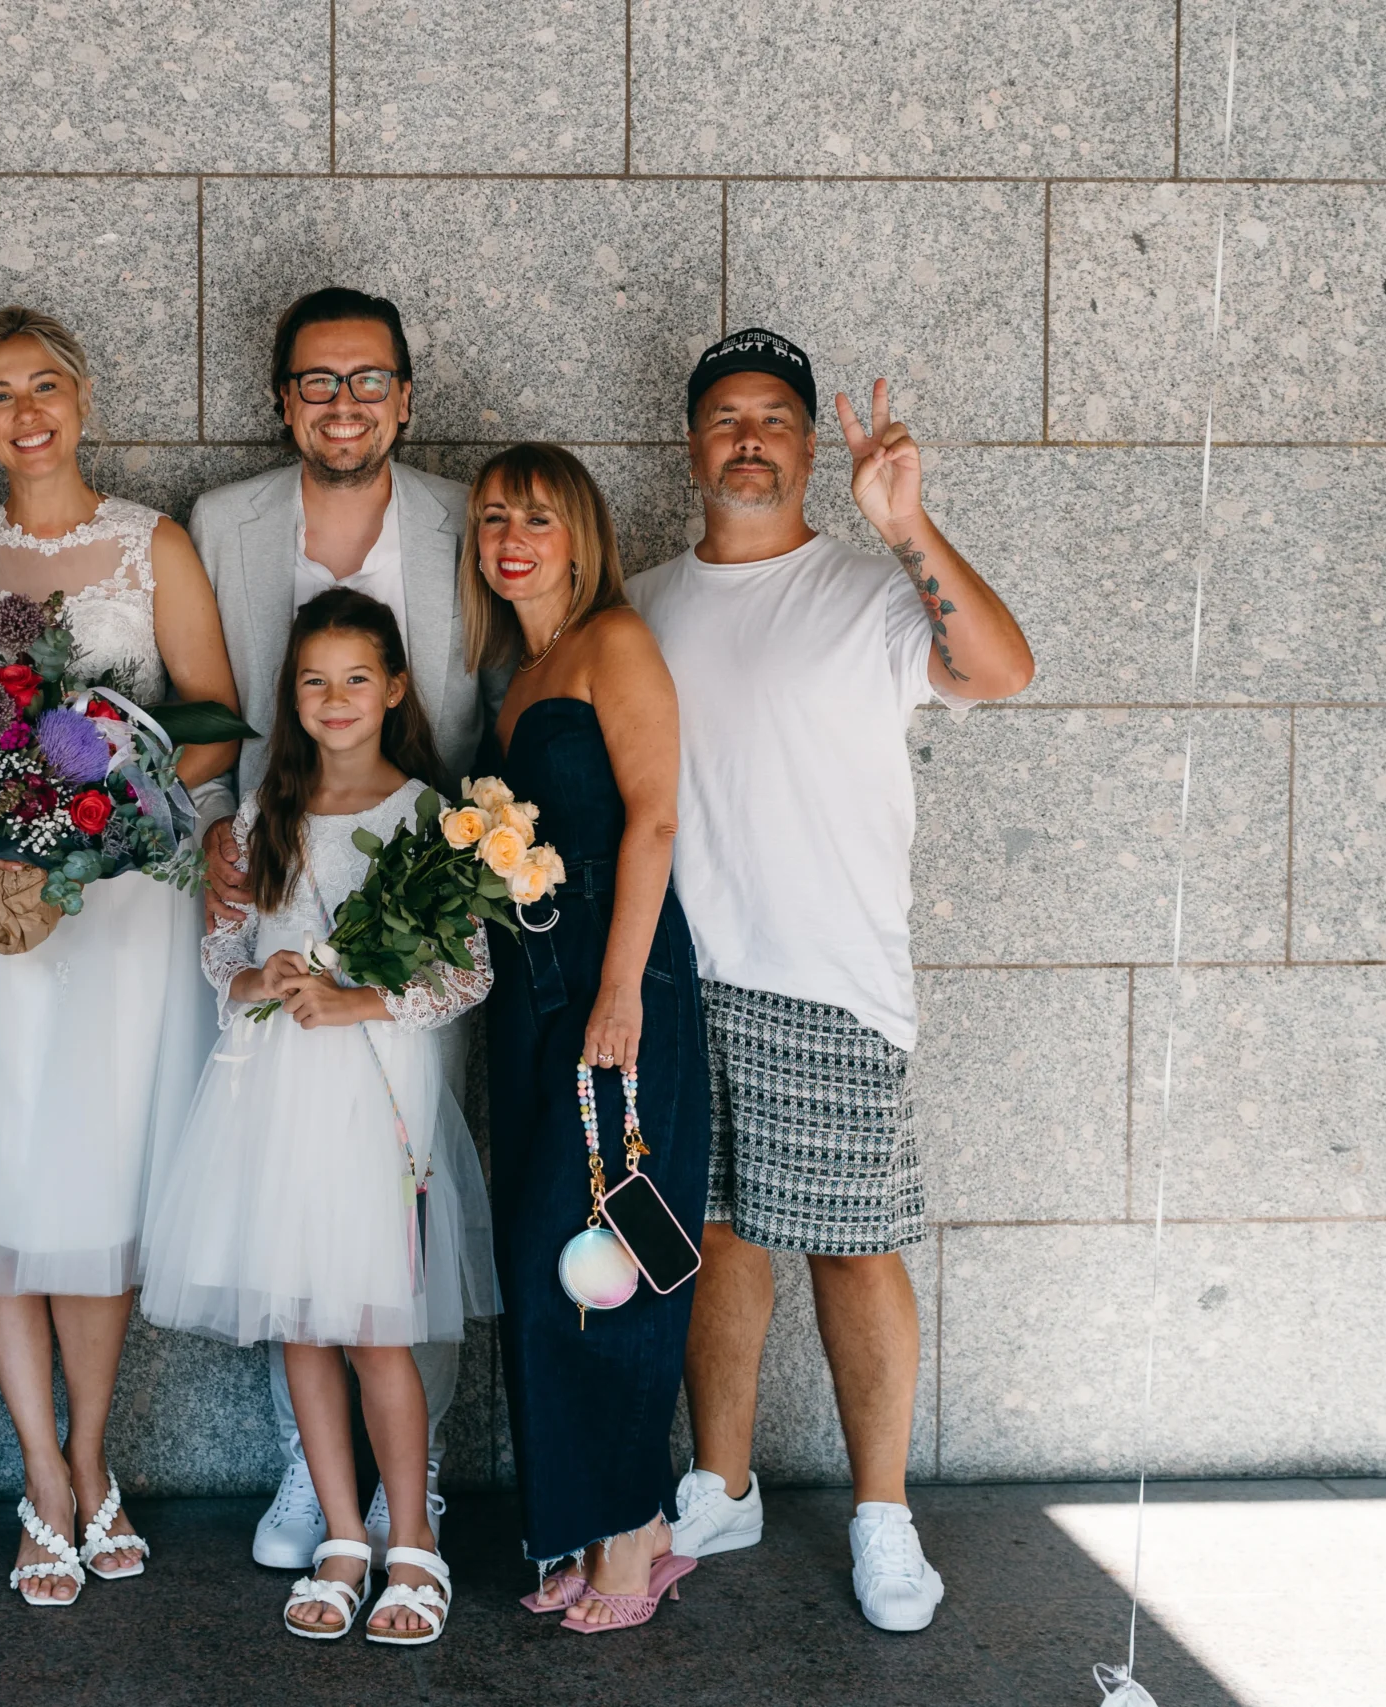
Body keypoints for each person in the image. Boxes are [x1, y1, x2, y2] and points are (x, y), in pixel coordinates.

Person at [631, 329, 1033, 1633]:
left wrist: (908, 522)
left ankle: (882, 1514)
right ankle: (723, 1478)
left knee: (856, 1246)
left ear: (806, 444)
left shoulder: (870, 591)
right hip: (688, 980)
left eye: (774, 418)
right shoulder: (640, 602)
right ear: (691, 444)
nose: (749, 437)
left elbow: (1000, 670)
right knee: (714, 1237)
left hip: (834, 984)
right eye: (726, 417)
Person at [0, 305, 241, 1605]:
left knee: (96, 1181)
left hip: (123, 891)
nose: (25, 409)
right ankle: (41, 1474)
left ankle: (97, 1459)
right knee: (2, 1169)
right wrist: (15, 809)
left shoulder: (156, 543)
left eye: (45, 384)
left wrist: (104, 806)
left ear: (83, 397)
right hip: (2, 898)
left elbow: (210, 718)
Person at [185, 286, 481, 1571]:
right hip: (284, 851)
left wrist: (482, 857)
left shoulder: (462, 520)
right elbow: (208, 698)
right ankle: (320, 1488)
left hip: (426, 892)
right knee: (289, 1221)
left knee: (415, 1214)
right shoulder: (225, 522)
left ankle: (421, 1492)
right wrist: (218, 834)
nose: (343, 401)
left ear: (406, 396)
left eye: (367, 379)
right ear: (281, 398)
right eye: (316, 380)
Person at [141, 589, 497, 1646]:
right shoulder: (262, 815)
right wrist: (260, 975)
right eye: (312, 681)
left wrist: (355, 999)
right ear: (289, 697)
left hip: (377, 1095)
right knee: (299, 1318)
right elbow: (222, 958)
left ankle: (413, 1540)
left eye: (355, 679)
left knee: (376, 1324)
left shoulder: (431, 819)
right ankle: (342, 1536)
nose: (334, 700)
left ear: (393, 688)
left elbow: (465, 973)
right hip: (271, 1095)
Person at [474, 443, 710, 1635]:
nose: (510, 537)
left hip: (618, 993)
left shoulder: (614, 642)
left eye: (538, 518)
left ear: (582, 536)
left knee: (606, 1264)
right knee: (543, 1263)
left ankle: (628, 1533)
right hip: (533, 1001)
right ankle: (609, 1519)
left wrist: (620, 994)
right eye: (492, 517)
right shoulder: (514, 677)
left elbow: (656, 816)